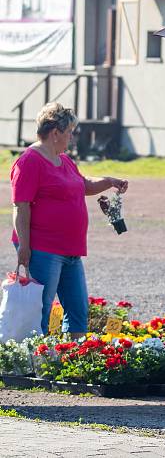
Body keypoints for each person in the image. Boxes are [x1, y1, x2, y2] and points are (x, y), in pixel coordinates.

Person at [10, 102, 128, 337]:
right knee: (40, 311)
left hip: (70, 250)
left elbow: (82, 184)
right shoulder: (29, 161)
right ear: (55, 133)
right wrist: (24, 245)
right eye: (69, 132)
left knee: (77, 311)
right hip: (43, 249)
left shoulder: (63, 160)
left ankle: (72, 361)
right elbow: (20, 206)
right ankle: (35, 366)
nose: (71, 138)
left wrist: (109, 181)